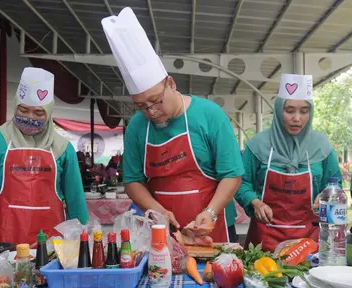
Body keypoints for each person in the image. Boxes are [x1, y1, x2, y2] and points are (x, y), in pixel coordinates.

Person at [102, 7, 244, 242]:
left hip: (212, 226)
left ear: (171, 83)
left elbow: (232, 174)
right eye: (141, 106)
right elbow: (133, 180)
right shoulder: (138, 126)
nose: (151, 111)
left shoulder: (210, 115)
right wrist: (158, 211)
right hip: (160, 228)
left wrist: (210, 212)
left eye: (155, 101)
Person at [0, 67, 89, 245]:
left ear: (48, 113)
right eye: (23, 111)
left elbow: (75, 200)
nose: (29, 117)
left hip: (49, 247)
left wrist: (82, 238)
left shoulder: (63, 148)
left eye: (38, 113)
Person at [235, 74, 342, 252]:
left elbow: (335, 183)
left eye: (304, 111)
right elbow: (240, 182)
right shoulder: (258, 145)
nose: (297, 118)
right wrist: (255, 203)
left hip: (309, 242)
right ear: (278, 110)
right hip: (265, 239)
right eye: (290, 110)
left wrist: (325, 196)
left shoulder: (322, 146)